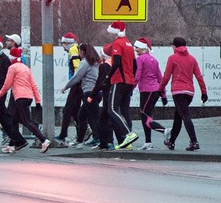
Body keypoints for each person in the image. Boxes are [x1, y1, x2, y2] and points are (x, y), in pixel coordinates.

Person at [0, 48, 51, 153]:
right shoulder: (26, 68)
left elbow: (7, 84)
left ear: (11, 58)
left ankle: (44, 140)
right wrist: (37, 101)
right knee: (14, 121)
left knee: (26, 121)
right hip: (28, 97)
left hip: (20, 97)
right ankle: (12, 145)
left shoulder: (12, 67)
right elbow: (33, 85)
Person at [158, 37, 208, 151]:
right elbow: (199, 76)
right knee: (178, 116)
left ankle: (194, 141)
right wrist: (204, 92)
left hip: (178, 91)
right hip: (189, 92)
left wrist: (160, 89)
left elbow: (166, 75)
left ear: (174, 46)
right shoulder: (192, 59)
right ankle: (171, 141)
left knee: (185, 116)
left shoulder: (172, 58)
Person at [106, 21, 138, 149]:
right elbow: (135, 66)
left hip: (119, 80)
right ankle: (128, 143)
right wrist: (132, 79)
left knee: (112, 109)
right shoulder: (129, 44)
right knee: (125, 111)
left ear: (114, 32)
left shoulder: (117, 43)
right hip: (129, 81)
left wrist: (108, 77)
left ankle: (128, 134)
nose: (109, 35)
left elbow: (116, 62)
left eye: (110, 32)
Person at [61, 43, 100, 148]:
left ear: (83, 51)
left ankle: (98, 138)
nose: (78, 53)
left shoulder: (85, 63)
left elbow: (77, 77)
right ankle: (81, 140)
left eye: (79, 51)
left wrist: (66, 86)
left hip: (88, 93)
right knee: (82, 115)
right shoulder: (95, 63)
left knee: (92, 117)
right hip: (95, 92)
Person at [134, 37, 168, 150]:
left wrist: (129, 89)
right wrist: (163, 95)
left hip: (147, 91)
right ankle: (148, 142)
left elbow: (137, 76)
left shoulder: (140, 59)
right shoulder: (154, 60)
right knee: (146, 116)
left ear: (143, 48)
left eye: (137, 47)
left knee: (145, 116)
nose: (135, 49)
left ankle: (165, 130)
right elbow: (160, 78)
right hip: (155, 91)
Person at [55, 32, 82, 145]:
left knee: (67, 110)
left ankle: (63, 135)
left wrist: (70, 84)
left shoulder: (72, 49)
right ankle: (82, 134)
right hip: (78, 83)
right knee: (76, 111)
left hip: (77, 84)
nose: (62, 45)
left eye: (64, 43)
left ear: (67, 43)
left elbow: (77, 67)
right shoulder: (75, 48)